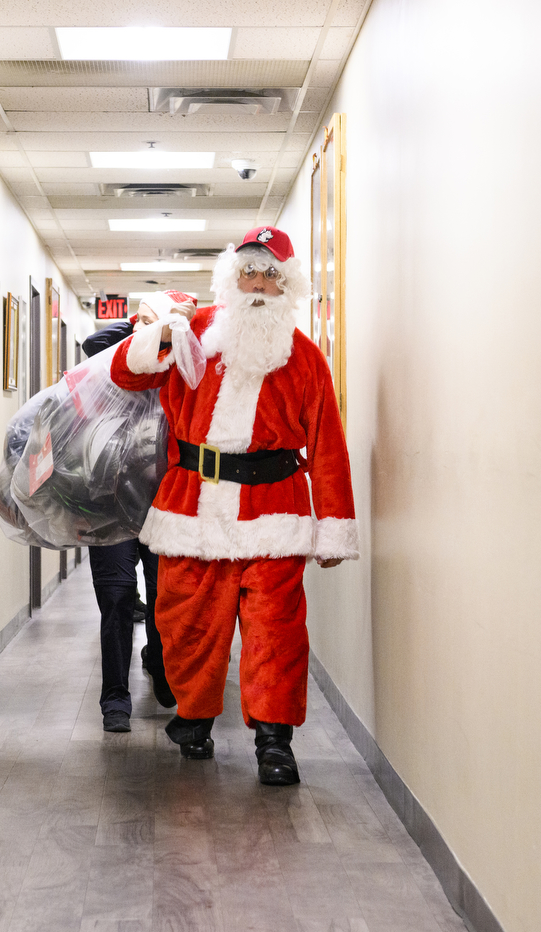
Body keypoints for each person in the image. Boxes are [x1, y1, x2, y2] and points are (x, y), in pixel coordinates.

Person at [109, 227, 358, 784]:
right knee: (186, 622)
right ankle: (193, 719)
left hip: (274, 514)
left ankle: (274, 743)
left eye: (273, 275)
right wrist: (157, 337)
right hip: (191, 509)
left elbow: (327, 448)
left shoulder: (306, 359)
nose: (259, 284)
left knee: (277, 632)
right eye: (250, 271)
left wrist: (333, 527)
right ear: (231, 276)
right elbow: (126, 373)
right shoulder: (193, 332)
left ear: (287, 287)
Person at [81, 290, 196, 732]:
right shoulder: (116, 359)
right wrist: (144, 325)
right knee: (116, 598)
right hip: (109, 504)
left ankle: (160, 665)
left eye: (155, 321)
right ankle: (115, 698)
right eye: (137, 321)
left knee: (163, 596)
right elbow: (94, 344)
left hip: (163, 505)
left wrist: (178, 328)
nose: (142, 328)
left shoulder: (182, 371)